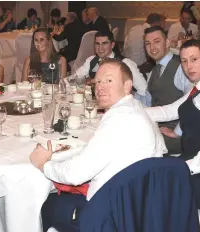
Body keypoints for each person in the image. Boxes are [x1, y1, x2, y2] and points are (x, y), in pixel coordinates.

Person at [30, 58, 166, 232]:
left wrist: (44, 165)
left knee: (45, 205)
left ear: (127, 86)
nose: (100, 87)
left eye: (109, 81)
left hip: (110, 216)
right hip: (139, 206)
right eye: (98, 81)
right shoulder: (137, 109)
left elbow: (76, 174)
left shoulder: (118, 119)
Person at [144, 39, 200, 209]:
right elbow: (173, 110)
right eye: (184, 61)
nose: (188, 66)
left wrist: (189, 167)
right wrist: (134, 111)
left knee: (148, 189)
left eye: (194, 59)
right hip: (197, 167)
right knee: (145, 169)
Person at [139, 25, 193, 154]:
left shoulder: (181, 67)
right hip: (155, 127)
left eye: (157, 42)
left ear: (167, 43)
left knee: (135, 144)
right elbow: (147, 102)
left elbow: (192, 102)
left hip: (176, 135)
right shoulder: (153, 72)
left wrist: (178, 132)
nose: (152, 48)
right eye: (148, 44)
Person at [69, 30, 147, 98]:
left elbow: (144, 91)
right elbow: (74, 77)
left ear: (112, 45)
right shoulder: (91, 61)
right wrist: (62, 83)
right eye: (97, 44)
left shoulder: (126, 63)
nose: (100, 48)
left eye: (104, 43)